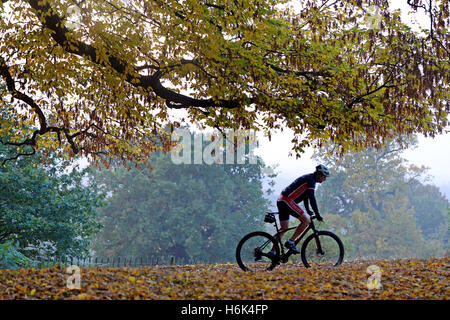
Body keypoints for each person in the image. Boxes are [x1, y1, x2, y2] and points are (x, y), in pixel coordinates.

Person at [269, 164, 330, 256]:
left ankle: (272, 251)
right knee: (306, 221)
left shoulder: (309, 179)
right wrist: (317, 214)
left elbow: (306, 196)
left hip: (281, 200)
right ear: (319, 174)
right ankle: (291, 242)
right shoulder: (311, 180)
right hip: (287, 200)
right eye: (324, 177)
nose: (325, 179)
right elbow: (311, 198)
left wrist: (308, 210)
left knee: (284, 228)